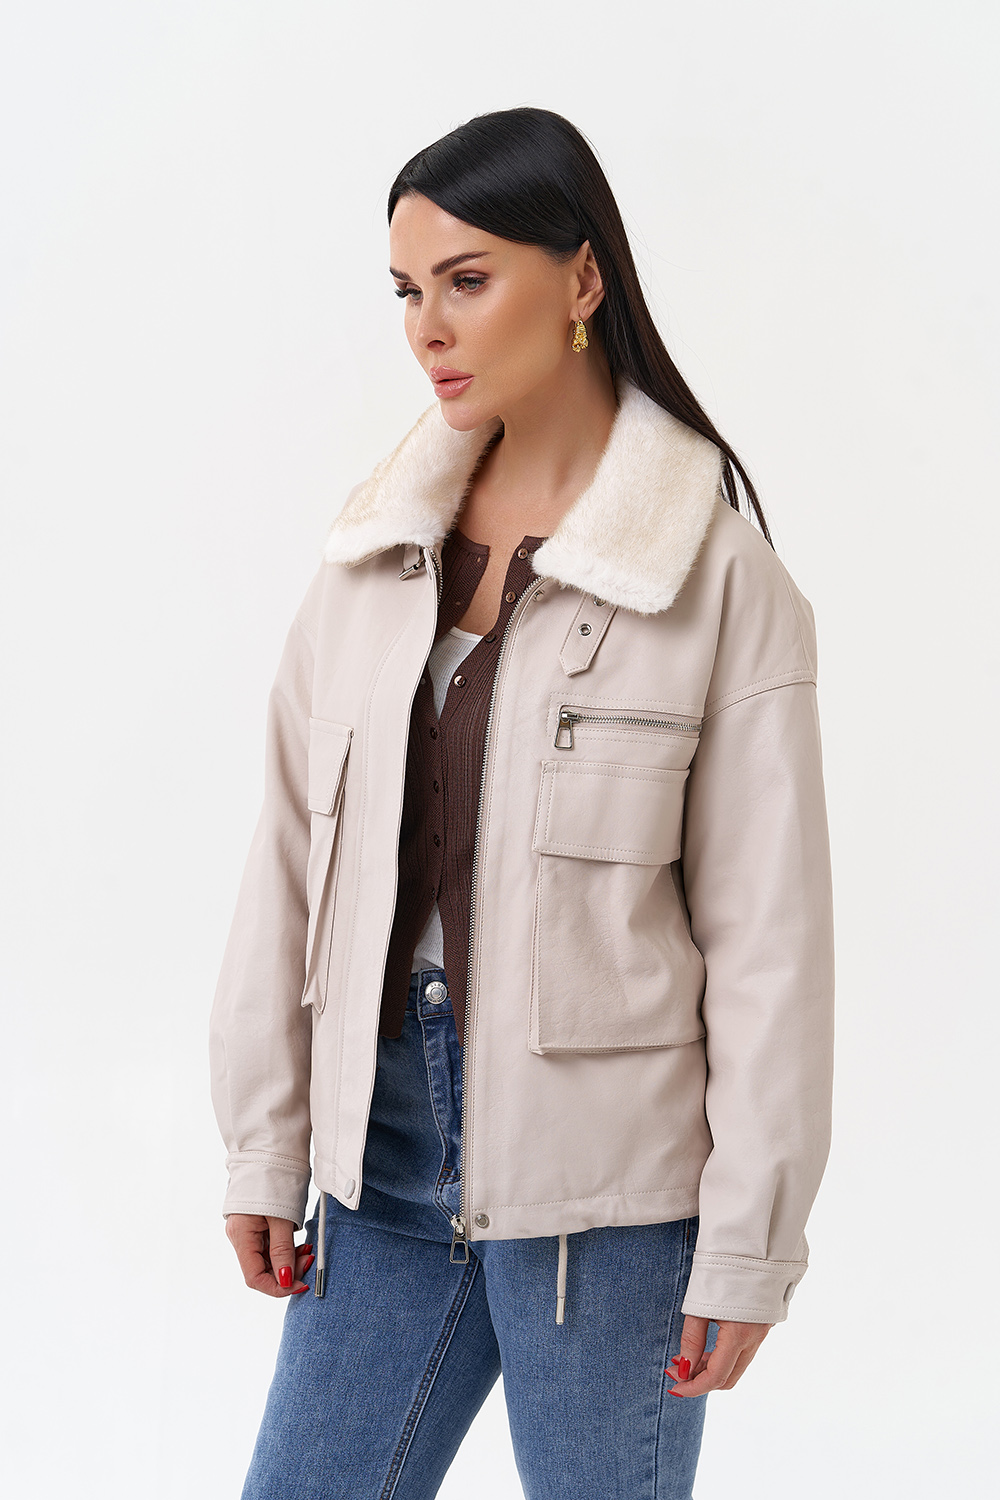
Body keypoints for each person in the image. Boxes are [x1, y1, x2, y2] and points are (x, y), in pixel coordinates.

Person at [208, 106, 835, 1500]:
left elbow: (771, 945)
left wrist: (749, 1244)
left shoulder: (719, 582)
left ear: (583, 277)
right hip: (380, 1161)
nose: (427, 328)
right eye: (406, 290)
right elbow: (286, 867)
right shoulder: (371, 560)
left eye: (468, 280)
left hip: (605, 1209)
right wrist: (263, 1143)